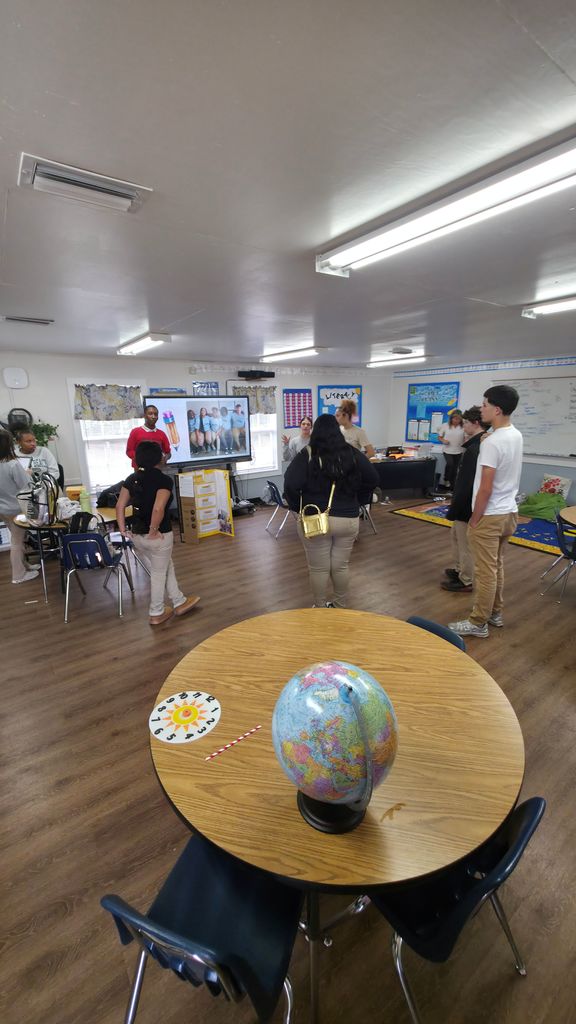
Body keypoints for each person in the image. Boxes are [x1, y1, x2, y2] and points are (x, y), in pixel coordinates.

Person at [449, 385, 522, 639]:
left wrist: (475, 520)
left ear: (497, 409)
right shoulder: (514, 435)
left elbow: (485, 489)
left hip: (490, 515)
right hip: (509, 512)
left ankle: (478, 621)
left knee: (484, 571)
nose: (482, 409)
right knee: (496, 566)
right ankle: (495, 613)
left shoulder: (493, 443)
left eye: (485, 404)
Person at [284, 414, 379, 608]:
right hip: (348, 519)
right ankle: (339, 606)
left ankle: (319, 607)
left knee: (318, 569)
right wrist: (358, 500)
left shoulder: (308, 453)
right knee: (340, 566)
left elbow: (290, 484)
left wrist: (298, 507)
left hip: (316, 519)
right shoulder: (352, 453)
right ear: (337, 430)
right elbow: (373, 478)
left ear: (315, 430)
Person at [116, 441, 200, 626]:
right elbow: (158, 508)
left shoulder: (131, 478)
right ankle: (156, 612)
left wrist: (122, 530)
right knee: (158, 572)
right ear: (157, 458)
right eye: (162, 453)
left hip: (138, 537)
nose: (164, 455)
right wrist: (154, 530)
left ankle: (178, 600)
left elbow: (120, 505)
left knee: (165, 565)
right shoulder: (164, 480)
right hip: (158, 536)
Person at [441, 406, 487, 593]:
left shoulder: (475, 448)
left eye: (466, 422)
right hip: (463, 501)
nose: (464, 425)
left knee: (465, 542)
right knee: (456, 537)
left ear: (475, 423)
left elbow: (468, 483)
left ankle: (465, 580)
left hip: (466, 504)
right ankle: (459, 569)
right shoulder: (474, 445)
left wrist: (457, 506)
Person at [0, 429, 40, 585]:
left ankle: (25, 566)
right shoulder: (12, 464)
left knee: (18, 539)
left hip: (3, 509)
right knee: (16, 542)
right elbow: (26, 486)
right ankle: (18, 575)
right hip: (15, 509)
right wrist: (28, 473)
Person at [438, 410, 465, 490]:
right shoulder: (445, 425)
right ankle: (446, 479)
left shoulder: (463, 427)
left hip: (459, 450)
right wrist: (443, 440)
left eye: (458, 419)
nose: (456, 421)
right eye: (454, 418)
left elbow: (466, 437)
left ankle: (452, 486)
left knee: (455, 469)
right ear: (451, 418)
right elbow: (439, 437)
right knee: (450, 464)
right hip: (447, 450)